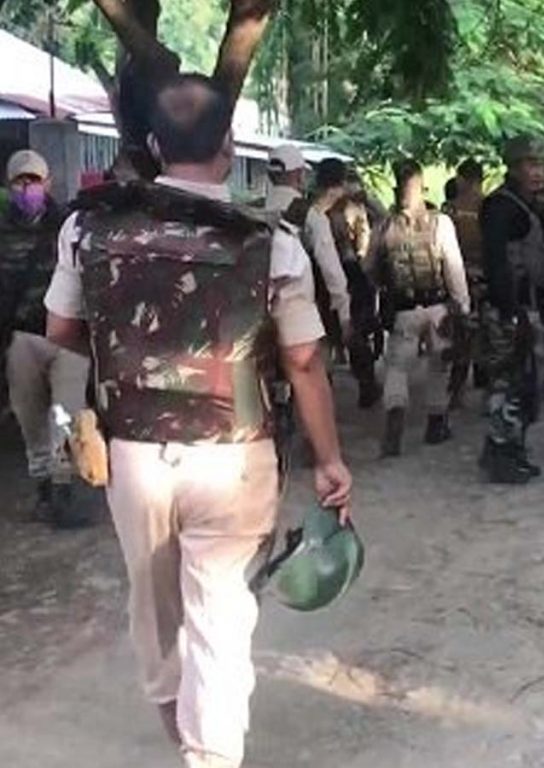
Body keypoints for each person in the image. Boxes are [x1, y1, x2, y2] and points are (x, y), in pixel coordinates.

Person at [44, 74, 353, 768]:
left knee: (154, 609)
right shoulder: (271, 244)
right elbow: (304, 361)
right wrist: (330, 460)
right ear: (230, 144)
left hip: (134, 456)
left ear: (154, 146)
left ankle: (183, 729)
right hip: (234, 457)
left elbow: (59, 329)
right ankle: (208, 753)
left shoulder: (87, 228)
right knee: (221, 619)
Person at [0, 150, 92, 528]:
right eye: (21, 181)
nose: (28, 188)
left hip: (68, 337)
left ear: (48, 182)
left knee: (66, 414)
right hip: (21, 338)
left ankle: (63, 489)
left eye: (34, 180)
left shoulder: (70, 226)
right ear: (9, 185)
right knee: (30, 417)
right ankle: (43, 487)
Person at [364, 159, 470, 456]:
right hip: (438, 307)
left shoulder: (384, 226)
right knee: (439, 364)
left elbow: (369, 268)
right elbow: (454, 268)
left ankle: (395, 413)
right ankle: (436, 422)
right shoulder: (440, 222)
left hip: (403, 308)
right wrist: (462, 305)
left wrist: (380, 294)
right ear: (422, 187)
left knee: (397, 367)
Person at [478, 135, 544, 483]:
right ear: (513, 168)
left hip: (528, 304)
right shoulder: (501, 206)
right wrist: (511, 311)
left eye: (541, 165)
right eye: (530, 164)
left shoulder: (530, 204)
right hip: (509, 309)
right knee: (506, 382)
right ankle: (500, 453)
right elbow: (497, 263)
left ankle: (513, 448)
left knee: (528, 383)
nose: (537, 172)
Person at [327, 164, 383, 409]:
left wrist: (366, 198)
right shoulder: (329, 209)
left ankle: (365, 382)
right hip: (347, 270)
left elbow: (384, 219)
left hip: (356, 273)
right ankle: (364, 382)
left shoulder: (359, 206)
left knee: (355, 329)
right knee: (350, 330)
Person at [443, 158, 487, 404]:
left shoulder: (450, 208)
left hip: (457, 277)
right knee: (482, 331)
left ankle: (456, 390)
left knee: (460, 334)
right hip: (484, 277)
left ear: (463, 179)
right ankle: (481, 376)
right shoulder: (489, 206)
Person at [306, 159, 354, 362]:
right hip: (313, 305)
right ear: (338, 186)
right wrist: (345, 313)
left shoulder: (302, 211)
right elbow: (331, 271)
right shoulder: (317, 220)